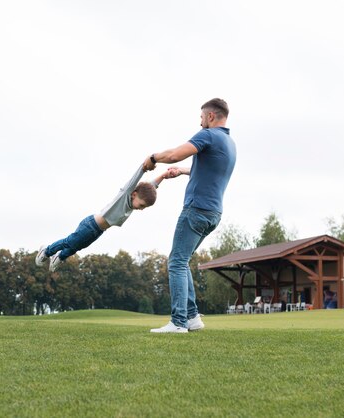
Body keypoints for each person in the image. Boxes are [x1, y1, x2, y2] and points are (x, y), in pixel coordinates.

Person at [144, 98, 237, 333]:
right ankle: (193, 317)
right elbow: (209, 171)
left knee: (175, 262)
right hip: (213, 213)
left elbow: (175, 154)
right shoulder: (229, 142)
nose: (200, 121)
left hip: (196, 210)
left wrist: (153, 158)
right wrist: (184, 172)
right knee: (182, 260)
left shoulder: (208, 135)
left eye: (202, 117)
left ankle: (178, 322)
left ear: (211, 116)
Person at [35, 163, 173, 272]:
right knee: (69, 242)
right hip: (90, 225)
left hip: (99, 230)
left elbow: (151, 186)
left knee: (77, 247)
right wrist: (144, 167)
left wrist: (163, 176)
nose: (141, 209)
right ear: (134, 193)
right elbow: (134, 179)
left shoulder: (135, 201)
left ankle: (59, 257)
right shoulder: (125, 195)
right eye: (142, 205)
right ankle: (46, 251)